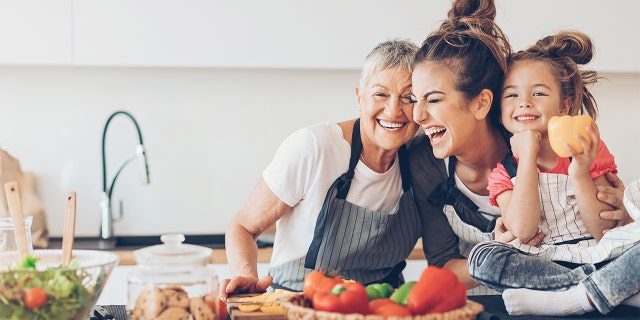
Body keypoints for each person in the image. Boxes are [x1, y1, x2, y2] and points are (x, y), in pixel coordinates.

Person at [409, 0, 634, 296]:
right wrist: (503, 246)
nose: (417, 116)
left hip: (590, 262)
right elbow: (442, 267)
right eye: (415, 100)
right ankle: (581, 292)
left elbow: (606, 227)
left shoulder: (536, 135)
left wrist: (626, 207)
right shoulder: (428, 161)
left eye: (434, 99)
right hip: (497, 297)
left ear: (482, 103)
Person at [221, 38, 422, 297]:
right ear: (360, 97)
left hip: (382, 307)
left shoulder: (424, 157)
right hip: (298, 304)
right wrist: (247, 277)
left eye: (409, 97)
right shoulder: (314, 148)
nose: (394, 110)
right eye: (380, 94)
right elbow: (243, 226)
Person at [467, 30, 640, 316]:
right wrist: (527, 158)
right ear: (500, 110)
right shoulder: (504, 172)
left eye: (538, 93)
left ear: (565, 105)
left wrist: (581, 172)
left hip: (601, 255)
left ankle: (575, 298)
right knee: (482, 257)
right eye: (511, 94)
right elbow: (523, 230)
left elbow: (602, 231)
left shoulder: (587, 149)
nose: (524, 102)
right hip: (547, 265)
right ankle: (603, 290)